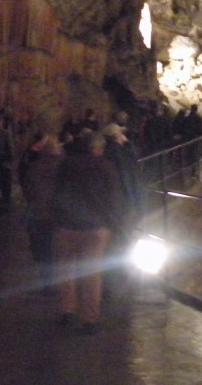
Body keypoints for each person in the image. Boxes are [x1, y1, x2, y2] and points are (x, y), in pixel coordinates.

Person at [51, 132, 123, 334]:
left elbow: (57, 192)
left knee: (65, 270)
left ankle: (66, 310)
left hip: (67, 224)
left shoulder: (67, 164)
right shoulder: (106, 167)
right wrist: (113, 223)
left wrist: (57, 216)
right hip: (95, 226)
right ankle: (90, 319)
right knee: (92, 273)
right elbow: (114, 198)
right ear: (97, 148)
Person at [22, 135, 62, 293]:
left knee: (43, 249)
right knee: (56, 249)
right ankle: (57, 282)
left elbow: (28, 190)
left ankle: (46, 282)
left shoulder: (34, 168)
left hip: (38, 213)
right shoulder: (62, 167)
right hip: (58, 214)